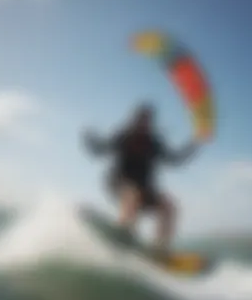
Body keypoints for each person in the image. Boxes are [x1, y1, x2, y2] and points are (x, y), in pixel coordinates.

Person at [83, 102, 201, 262]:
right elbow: (102, 149)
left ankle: (159, 249)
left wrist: (194, 145)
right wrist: (91, 140)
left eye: (147, 120)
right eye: (140, 119)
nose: (143, 123)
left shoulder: (155, 143)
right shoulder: (125, 136)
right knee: (132, 194)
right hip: (118, 183)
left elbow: (175, 160)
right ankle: (124, 233)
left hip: (145, 190)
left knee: (169, 206)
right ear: (134, 120)